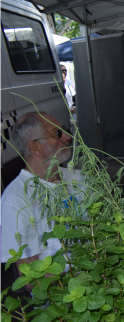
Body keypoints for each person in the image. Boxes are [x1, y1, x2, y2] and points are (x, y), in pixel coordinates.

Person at [1, 112, 81, 292]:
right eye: (57, 133)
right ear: (36, 147)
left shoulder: (77, 177)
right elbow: (31, 279)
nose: (67, 137)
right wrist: (80, 283)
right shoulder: (16, 199)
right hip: (64, 299)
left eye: (64, 130)